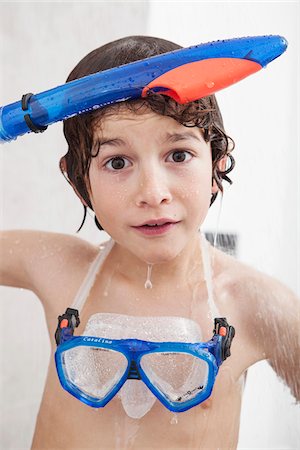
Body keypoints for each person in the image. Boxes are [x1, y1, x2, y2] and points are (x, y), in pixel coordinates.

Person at [0, 35, 299, 450]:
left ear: (216, 164)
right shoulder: (56, 266)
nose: (153, 192)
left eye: (178, 155)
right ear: (77, 181)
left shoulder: (256, 305)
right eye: (117, 162)